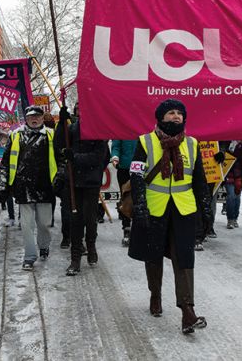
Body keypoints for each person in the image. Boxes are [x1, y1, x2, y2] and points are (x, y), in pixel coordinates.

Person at [128, 99, 212, 335]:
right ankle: (155, 294)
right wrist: (141, 206)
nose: (175, 117)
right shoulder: (145, 141)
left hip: (184, 209)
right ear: (160, 118)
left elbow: (199, 180)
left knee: (184, 258)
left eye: (179, 113)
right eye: (170, 113)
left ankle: (188, 311)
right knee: (153, 257)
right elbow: (136, 176)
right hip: (154, 209)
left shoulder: (193, 144)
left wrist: (206, 209)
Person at [0, 105, 56, 271]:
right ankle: (29, 256)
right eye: (31, 117)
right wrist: (3, 184)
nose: (34, 119)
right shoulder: (16, 135)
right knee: (26, 225)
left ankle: (44, 245)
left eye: (37, 116)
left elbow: (60, 159)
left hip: (45, 186)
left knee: (44, 223)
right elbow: (5, 162)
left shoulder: (51, 135)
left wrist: (60, 178)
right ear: (26, 119)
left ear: (43, 118)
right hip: (23, 187)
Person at [55, 102, 110, 275]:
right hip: (73, 181)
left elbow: (99, 157)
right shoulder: (72, 128)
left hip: (91, 182)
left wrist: (76, 157)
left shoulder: (99, 129)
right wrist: (61, 124)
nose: (81, 112)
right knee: (75, 219)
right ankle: (75, 259)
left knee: (89, 218)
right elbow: (59, 145)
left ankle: (91, 245)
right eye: (78, 109)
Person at [111, 139, 138, 246]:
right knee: (126, 198)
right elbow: (116, 145)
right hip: (124, 168)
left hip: (141, 168)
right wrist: (115, 156)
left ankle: (138, 229)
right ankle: (126, 229)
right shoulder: (122, 127)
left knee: (139, 198)